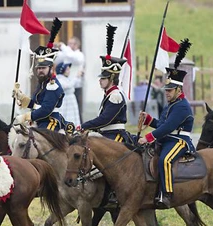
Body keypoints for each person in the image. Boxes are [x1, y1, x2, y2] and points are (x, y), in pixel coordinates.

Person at [138, 39, 194, 209]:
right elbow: (162, 124)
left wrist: (148, 137)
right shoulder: (171, 105)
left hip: (179, 142)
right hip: (166, 139)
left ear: (178, 90)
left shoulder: (183, 107)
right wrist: (149, 119)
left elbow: (168, 128)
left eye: (169, 91)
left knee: (164, 160)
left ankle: (167, 194)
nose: (167, 93)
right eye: (166, 90)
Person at [78, 24, 130, 206]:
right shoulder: (109, 93)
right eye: (101, 77)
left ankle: (113, 194)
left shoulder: (115, 95)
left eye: (103, 78)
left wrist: (85, 125)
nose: (100, 80)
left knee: (107, 165)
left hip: (114, 135)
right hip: (106, 133)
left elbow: (105, 119)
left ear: (112, 78)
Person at [13, 18, 66, 132]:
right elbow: (36, 105)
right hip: (39, 120)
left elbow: (46, 109)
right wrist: (22, 98)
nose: (40, 71)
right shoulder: (43, 83)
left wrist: (25, 117)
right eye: (39, 68)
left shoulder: (53, 86)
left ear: (51, 68)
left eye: (43, 68)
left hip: (50, 121)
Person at [55, 37, 85, 119]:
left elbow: (72, 57)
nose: (69, 46)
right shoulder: (67, 53)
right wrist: (55, 49)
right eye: (68, 43)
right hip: (66, 84)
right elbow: (56, 59)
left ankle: (79, 126)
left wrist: (63, 47)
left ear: (77, 45)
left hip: (76, 85)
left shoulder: (79, 55)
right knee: (66, 108)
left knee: (77, 107)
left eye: (71, 43)